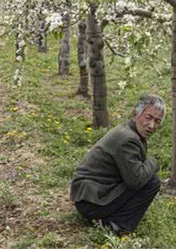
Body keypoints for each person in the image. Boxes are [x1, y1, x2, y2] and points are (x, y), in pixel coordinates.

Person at [69, 94, 165, 234]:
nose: (152, 125)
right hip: (90, 202)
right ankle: (114, 225)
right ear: (135, 114)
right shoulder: (128, 139)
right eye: (148, 117)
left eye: (157, 121)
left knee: (144, 175)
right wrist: (153, 162)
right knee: (151, 182)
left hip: (87, 196)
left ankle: (108, 217)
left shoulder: (129, 130)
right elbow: (137, 181)